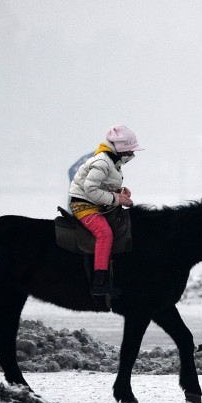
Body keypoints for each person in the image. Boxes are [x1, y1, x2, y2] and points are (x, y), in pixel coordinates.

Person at [68, 125, 142, 296]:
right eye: (130, 150)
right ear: (121, 149)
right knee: (104, 233)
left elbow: (104, 184)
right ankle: (99, 282)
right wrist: (117, 199)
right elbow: (90, 190)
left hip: (95, 202)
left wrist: (119, 192)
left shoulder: (112, 161)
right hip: (84, 205)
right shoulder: (102, 162)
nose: (133, 154)